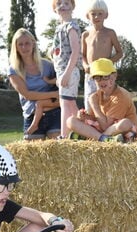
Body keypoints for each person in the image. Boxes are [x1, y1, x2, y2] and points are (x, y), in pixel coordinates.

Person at [67, 58, 137, 142]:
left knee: (125, 123)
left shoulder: (121, 96)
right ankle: (104, 139)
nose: (101, 81)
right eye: (97, 78)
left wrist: (94, 105)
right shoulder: (97, 95)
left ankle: (93, 138)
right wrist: (83, 116)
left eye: (105, 76)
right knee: (71, 121)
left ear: (114, 76)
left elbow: (106, 126)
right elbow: (94, 119)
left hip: (123, 132)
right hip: (105, 131)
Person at [8, 28, 62, 140]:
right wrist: (53, 94)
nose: (24, 47)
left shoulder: (48, 66)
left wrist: (57, 96)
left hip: (54, 113)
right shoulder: (14, 70)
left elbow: (61, 84)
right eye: (20, 44)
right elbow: (27, 95)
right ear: (16, 47)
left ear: (33, 43)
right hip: (31, 115)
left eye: (27, 43)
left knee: (59, 153)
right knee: (33, 155)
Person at [81, 0, 122, 112]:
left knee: (105, 102)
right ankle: (90, 126)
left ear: (106, 15)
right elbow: (83, 55)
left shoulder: (110, 33)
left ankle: (107, 126)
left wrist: (108, 63)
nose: (96, 16)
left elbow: (119, 53)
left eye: (100, 13)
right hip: (90, 75)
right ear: (87, 16)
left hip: (106, 75)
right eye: (93, 13)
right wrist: (85, 66)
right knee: (90, 102)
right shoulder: (85, 35)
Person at [51, 0, 82, 138]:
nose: (62, 6)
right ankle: (82, 127)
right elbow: (55, 52)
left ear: (72, 7)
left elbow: (75, 51)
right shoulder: (59, 28)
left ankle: (63, 136)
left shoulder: (71, 27)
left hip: (69, 70)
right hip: (62, 71)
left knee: (65, 103)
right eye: (59, 4)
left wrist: (66, 74)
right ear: (55, 9)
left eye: (66, 3)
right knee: (69, 103)